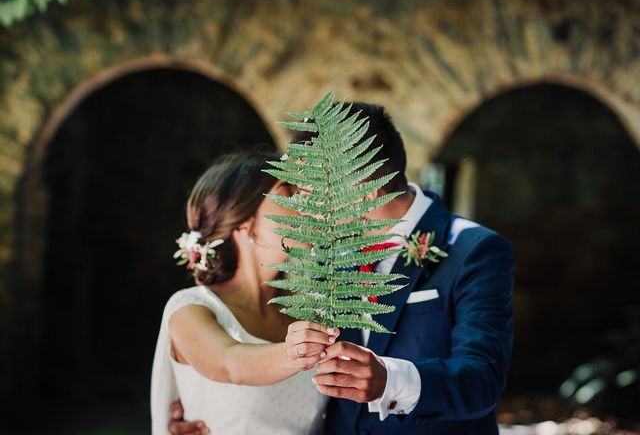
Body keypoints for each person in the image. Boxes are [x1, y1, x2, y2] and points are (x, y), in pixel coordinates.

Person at [169, 103, 514, 435]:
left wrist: (388, 380)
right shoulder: (315, 257)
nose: (303, 205)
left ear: (363, 188)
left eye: (311, 190)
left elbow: (481, 379)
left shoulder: (473, 250)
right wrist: (205, 408)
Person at [151, 152, 339, 435]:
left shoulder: (305, 311)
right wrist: (299, 353)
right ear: (246, 222)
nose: (301, 204)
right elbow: (230, 364)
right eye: (288, 192)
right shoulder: (191, 308)